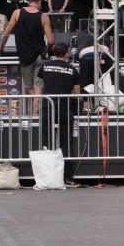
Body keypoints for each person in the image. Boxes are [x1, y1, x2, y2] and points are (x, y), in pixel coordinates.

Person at [0, 0, 54, 114]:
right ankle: (36, 115)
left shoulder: (17, 13)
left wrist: (1, 47)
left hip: (25, 57)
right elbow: (50, 40)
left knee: (29, 88)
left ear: (28, 2)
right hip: (40, 56)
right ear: (39, 2)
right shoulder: (43, 16)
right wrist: (49, 50)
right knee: (38, 89)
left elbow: (6, 33)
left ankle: (35, 115)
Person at [38, 43, 81, 187]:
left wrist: (36, 107)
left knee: (46, 142)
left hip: (47, 106)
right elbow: (76, 94)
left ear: (54, 52)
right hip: (64, 108)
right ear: (67, 53)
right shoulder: (72, 69)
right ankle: (67, 178)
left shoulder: (44, 66)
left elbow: (39, 87)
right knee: (66, 143)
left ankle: (47, 177)